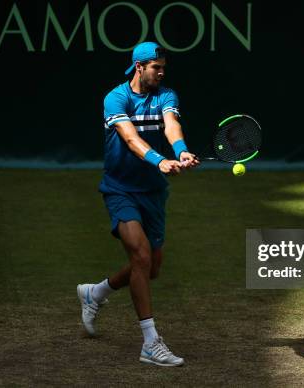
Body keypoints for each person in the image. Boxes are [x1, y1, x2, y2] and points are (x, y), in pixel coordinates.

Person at [76, 42, 199, 367]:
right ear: (139, 66)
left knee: (150, 267)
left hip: (153, 192)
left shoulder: (166, 95)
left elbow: (171, 125)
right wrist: (160, 160)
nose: (161, 73)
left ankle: (96, 293)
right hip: (120, 189)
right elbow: (130, 138)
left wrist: (182, 150)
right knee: (141, 256)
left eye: (163, 68)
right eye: (155, 67)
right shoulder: (116, 97)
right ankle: (150, 343)